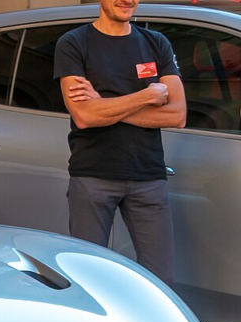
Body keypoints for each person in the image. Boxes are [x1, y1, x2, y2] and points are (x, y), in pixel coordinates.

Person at [54, 0, 185, 285]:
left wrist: (104, 104)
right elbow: (85, 116)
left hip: (148, 176)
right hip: (93, 176)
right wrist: (145, 97)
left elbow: (177, 115)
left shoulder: (156, 42)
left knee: (161, 281)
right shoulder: (74, 43)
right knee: (88, 277)